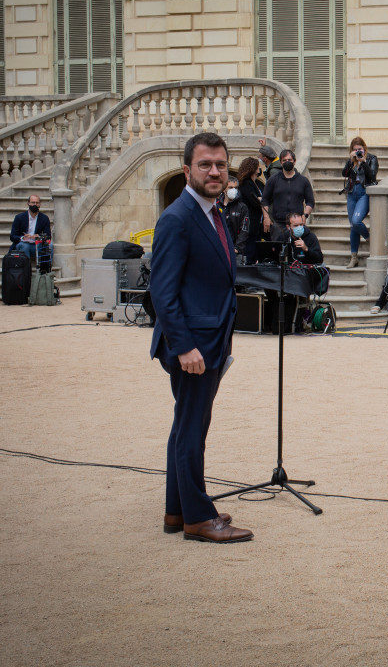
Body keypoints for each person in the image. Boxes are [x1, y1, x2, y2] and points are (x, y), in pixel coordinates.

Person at [150, 132, 252, 544]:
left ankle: (178, 512)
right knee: (193, 429)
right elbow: (162, 291)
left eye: (221, 165)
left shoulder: (213, 211)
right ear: (187, 167)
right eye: (206, 164)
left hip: (209, 339)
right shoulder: (177, 218)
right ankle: (197, 518)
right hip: (192, 346)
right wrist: (184, 345)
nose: (215, 171)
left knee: (186, 426)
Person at [341, 136, 378, 269]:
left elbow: (372, 176)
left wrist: (363, 162)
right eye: (355, 149)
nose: (358, 152)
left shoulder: (371, 159)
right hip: (352, 193)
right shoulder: (351, 160)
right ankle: (354, 257)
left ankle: (369, 238)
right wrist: (351, 161)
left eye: (360, 149)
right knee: (353, 225)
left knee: (356, 221)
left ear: (364, 148)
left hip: (364, 192)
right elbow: (343, 174)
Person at [262, 148, 315, 231]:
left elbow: (310, 201)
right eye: (284, 160)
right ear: (280, 162)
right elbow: (264, 200)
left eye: (289, 160)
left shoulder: (303, 181)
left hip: (297, 224)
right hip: (278, 224)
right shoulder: (273, 180)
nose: (287, 162)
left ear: (294, 161)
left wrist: (305, 215)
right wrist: (266, 217)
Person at [235, 156, 269, 262]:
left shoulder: (256, 183)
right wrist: (261, 199)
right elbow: (255, 201)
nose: (260, 169)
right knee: (249, 251)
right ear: (253, 168)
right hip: (250, 222)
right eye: (258, 167)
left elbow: (261, 199)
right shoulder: (246, 183)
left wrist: (261, 199)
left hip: (256, 222)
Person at [9, 194, 53, 264]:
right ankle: (26, 270)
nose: (35, 205)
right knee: (24, 246)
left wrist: (39, 237)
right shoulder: (19, 217)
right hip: (24, 244)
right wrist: (23, 238)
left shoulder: (44, 218)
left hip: (37, 244)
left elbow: (48, 236)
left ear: (40, 204)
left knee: (50, 245)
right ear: (28, 203)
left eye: (37, 203)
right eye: (33, 202)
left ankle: (45, 271)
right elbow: (12, 236)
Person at [220, 178, 250, 260]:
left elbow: (244, 229)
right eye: (230, 187)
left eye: (236, 187)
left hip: (234, 251)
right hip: (218, 249)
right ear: (223, 189)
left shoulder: (242, 207)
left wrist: (237, 248)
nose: (233, 190)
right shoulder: (216, 206)